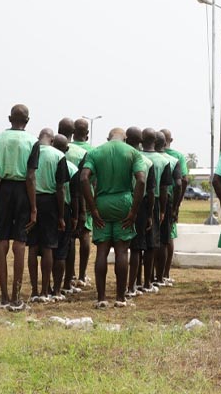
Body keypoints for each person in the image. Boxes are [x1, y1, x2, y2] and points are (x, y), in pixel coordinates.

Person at [80, 127, 148, 308]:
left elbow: (84, 178)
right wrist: (134, 211)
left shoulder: (95, 152)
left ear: (108, 138)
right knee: (121, 252)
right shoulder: (133, 153)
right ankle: (120, 298)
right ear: (125, 139)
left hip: (101, 204)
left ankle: (101, 298)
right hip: (124, 203)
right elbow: (141, 180)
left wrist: (92, 208)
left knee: (101, 251)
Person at [0, 104, 40, 311]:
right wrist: (34, 208)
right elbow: (30, 177)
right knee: (19, 243)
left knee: (2, 241)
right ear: (27, 121)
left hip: (3, 190)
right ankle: (16, 298)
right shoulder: (32, 141)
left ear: (9, 118)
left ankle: (3, 297)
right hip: (23, 193)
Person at [27, 128, 68, 302]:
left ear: (39, 138)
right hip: (50, 202)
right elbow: (60, 188)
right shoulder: (59, 156)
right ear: (52, 141)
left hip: (31, 200)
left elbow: (27, 177)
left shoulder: (31, 152)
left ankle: (34, 290)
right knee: (48, 246)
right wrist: (61, 215)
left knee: (32, 247)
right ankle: (45, 291)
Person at [57, 118, 88, 293]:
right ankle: (70, 280)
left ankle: (52, 282)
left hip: (49, 202)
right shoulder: (80, 153)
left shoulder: (49, 148)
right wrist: (82, 211)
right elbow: (82, 185)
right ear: (73, 131)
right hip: (71, 202)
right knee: (70, 242)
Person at [139, 128, 173, 292]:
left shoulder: (137, 157)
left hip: (137, 202)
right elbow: (164, 188)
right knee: (153, 243)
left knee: (137, 244)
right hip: (156, 201)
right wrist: (162, 210)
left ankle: (136, 281)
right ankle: (149, 281)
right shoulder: (164, 161)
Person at [124, 127, 154, 299]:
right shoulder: (146, 162)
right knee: (136, 248)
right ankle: (131, 286)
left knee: (119, 246)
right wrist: (149, 214)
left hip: (120, 201)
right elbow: (150, 191)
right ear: (141, 141)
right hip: (140, 205)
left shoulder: (120, 157)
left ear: (126, 140)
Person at [51, 134, 79, 300]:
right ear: (66, 149)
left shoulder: (42, 162)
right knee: (62, 250)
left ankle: (45, 287)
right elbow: (75, 196)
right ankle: (57, 289)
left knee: (47, 248)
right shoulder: (72, 169)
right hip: (65, 210)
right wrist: (76, 216)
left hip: (45, 207)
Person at [71, 118, 94, 288]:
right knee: (85, 233)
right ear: (87, 134)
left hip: (66, 195)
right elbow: (94, 180)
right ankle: (82, 274)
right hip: (86, 196)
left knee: (70, 236)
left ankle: (70, 274)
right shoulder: (93, 152)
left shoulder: (65, 148)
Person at [154, 132, 180, 286]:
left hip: (146, 201)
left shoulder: (142, 158)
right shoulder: (172, 160)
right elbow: (178, 184)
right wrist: (175, 206)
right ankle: (161, 276)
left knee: (149, 241)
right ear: (165, 144)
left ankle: (148, 277)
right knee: (164, 239)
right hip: (166, 202)